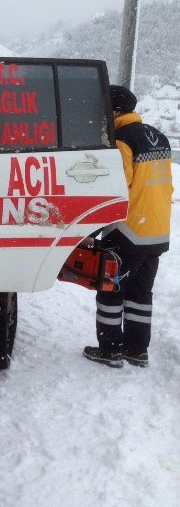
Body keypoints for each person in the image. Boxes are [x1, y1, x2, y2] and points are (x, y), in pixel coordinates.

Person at [83, 84, 173, 368]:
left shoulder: (121, 140)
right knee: (140, 294)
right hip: (156, 232)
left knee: (110, 290)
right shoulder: (158, 138)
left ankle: (110, 350)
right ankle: (137, 350)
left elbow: (117, 189)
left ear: (116, 111)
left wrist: (91, 228)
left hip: (128, 232)